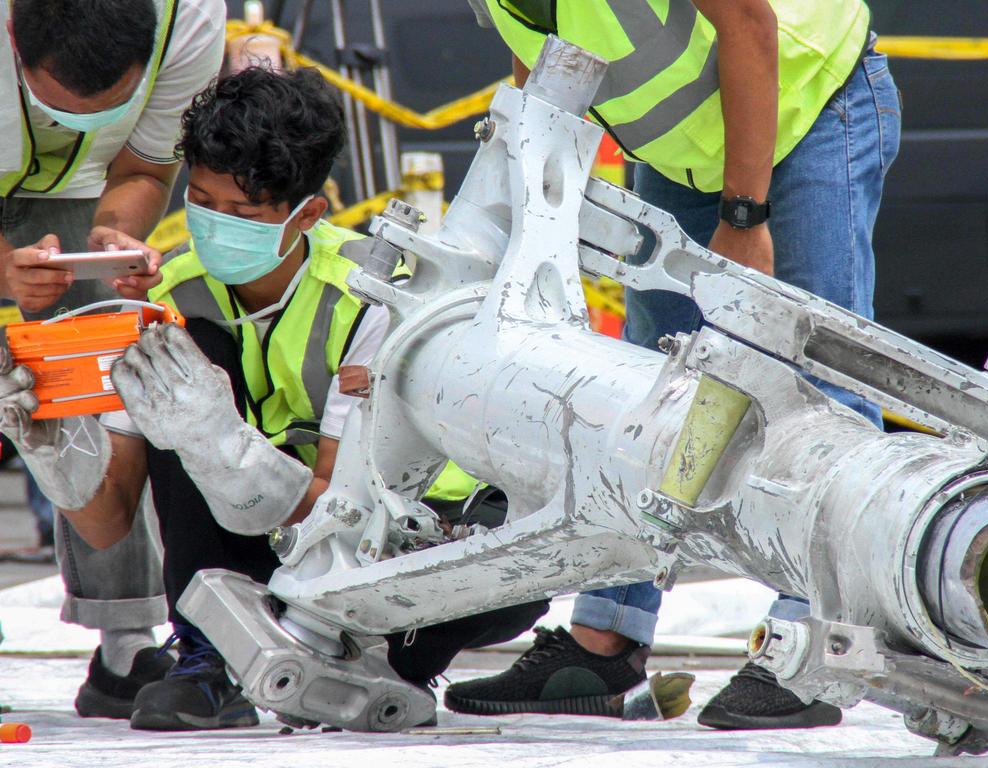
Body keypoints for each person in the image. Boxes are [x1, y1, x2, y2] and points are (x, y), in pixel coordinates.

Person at [0, 65, 548, 731]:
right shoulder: (173, 295)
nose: (214, 223)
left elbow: (342, 511)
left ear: (307, 213)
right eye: (200, 201)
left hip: (408, 539)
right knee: (181, 362)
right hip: (276, 541)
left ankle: (378, 658)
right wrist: (54, 448)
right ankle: (209, 657)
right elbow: (110, 522)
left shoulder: (377, 297)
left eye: (241, 212)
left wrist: (220, 442)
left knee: (500, 584)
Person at [449, 0, 901, 730]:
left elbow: (749, 24)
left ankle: (820, 643)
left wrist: (745, 215)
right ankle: (605, 640)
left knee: (821, 383)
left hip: (807, 109)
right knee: (653, 391)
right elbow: (540, 63)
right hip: (684, 155)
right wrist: (529, 213)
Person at [0, 0, 226, 719]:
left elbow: (145, 165)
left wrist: (114, 236)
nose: (77, 122)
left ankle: (125, 640)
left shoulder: (188, 16)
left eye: (104, 107)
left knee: (99, 371)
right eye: (62, 107)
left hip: (81, 190)